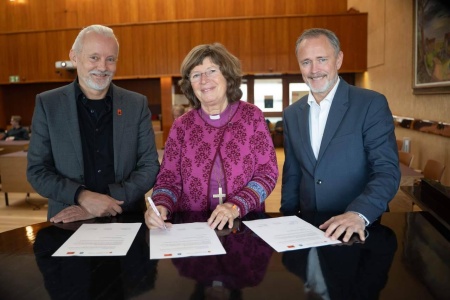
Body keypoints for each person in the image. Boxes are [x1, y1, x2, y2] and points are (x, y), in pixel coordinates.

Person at [27, 24, 160, 222]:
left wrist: (108, 202)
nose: (102, 67)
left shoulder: (136, 104)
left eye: (110, 59)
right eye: (94, 57)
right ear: (74, 57)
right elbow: (37, 170)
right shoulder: (48, 104)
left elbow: (149, 166)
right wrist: (82, 196)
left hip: (126, 216)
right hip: (68, 218)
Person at [281, 28, 400, 242]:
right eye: (306, 62)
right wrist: (287, 218)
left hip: (357, 230)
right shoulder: (291, 114)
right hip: (308, 228)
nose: (314, 69)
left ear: (339, 60)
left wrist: (359, 214)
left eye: (322, 59)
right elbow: (293, 173)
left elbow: (386, 171)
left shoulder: (370, 104)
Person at [145, 43, 278, 231]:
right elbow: (169, 178)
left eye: (211, 70)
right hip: (193, 227)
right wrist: (160, 205)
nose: (204, 80)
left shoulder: (252, 116)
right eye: (196, 75)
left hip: (244, 224)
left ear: (227, 75)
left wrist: (235, 206)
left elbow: (267, 173)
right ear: (190, 84)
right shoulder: (182, 126)